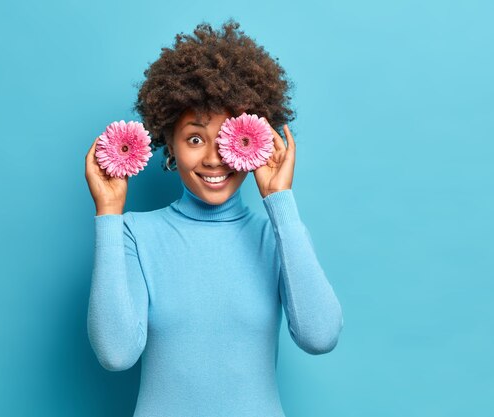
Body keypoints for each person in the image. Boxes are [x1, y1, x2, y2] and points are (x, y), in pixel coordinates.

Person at [84, 19, 343, 417]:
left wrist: (280, 200)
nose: (212, 158)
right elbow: (116, 354)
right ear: (168, 141)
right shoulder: (135, 233)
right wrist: (108, 214)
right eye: (194, 138)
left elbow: (320, 335)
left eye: (228, 139)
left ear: (254, 141)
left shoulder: (275, 236)